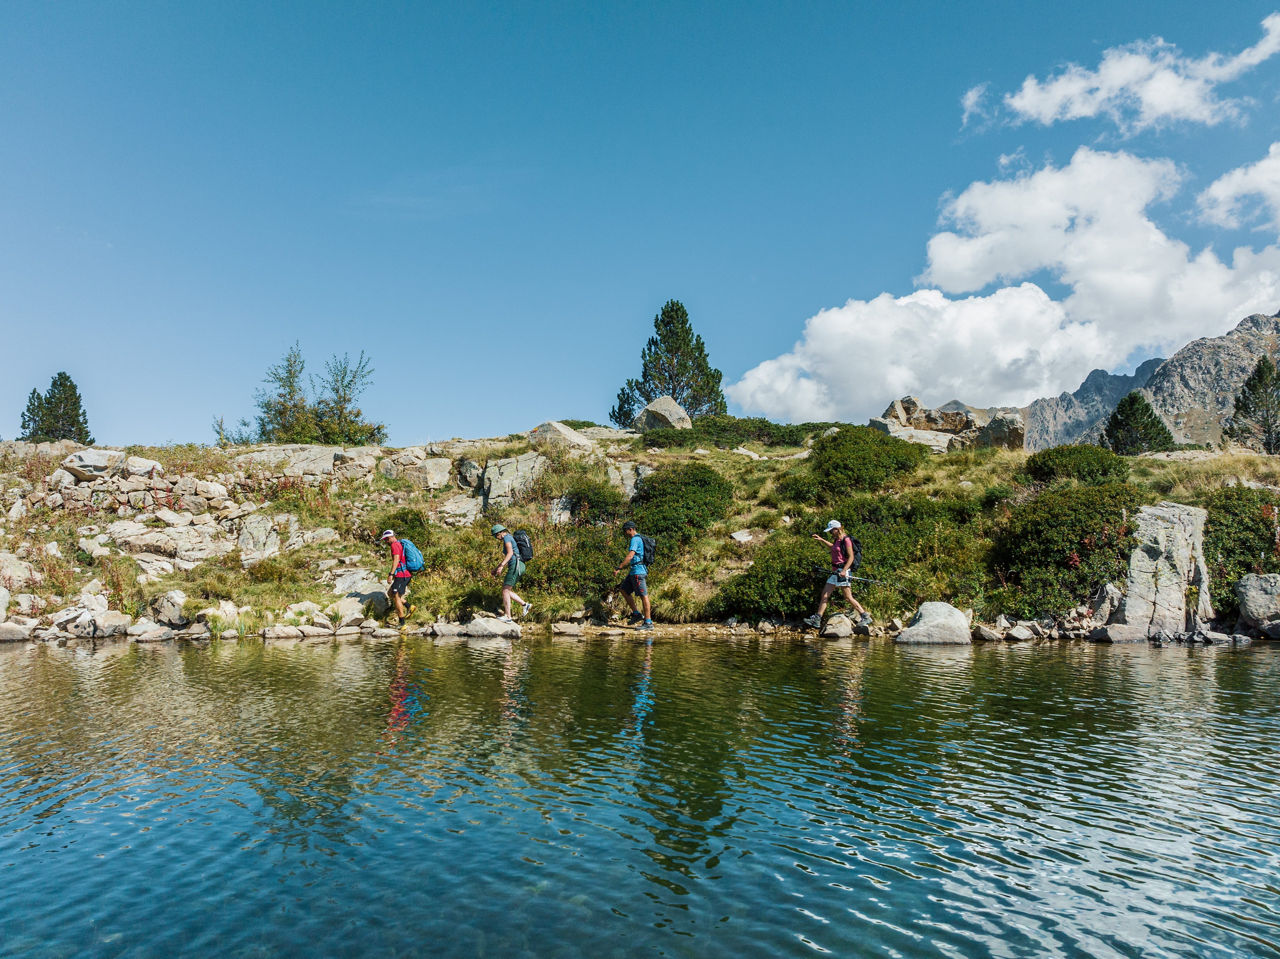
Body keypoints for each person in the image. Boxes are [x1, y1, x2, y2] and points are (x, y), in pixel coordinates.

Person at [804, 520, 872, 629]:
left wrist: (844, 570)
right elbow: (833, 548)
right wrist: (821, 540)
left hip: (842, 571)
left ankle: (865, 616)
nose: (831, 533)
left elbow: (851, 557)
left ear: (837, 529)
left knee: (848, 597)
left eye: (832, 531)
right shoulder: (836, 540)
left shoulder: (847, 540)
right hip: (835, 571)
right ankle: (817, 619)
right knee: (825, 595)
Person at [615, 519, 653, 631]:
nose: (625, 533)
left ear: (630, 529)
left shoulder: (635, 540)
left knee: (643, 596)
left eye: (626, 531)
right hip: (634, 571)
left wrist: (619, 567)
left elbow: (630, 556)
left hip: (638, 572)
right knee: (623, 590)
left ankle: (648, 622)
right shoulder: (637, 538)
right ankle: (636, 614)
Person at [491, 524, 532, 622]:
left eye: (496, 536)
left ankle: (508, 617)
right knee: (507, 590)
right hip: (519, 565)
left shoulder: (506, 537)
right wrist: (496, 568)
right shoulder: (509, 537)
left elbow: (510, 553)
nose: (497, 538)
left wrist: (501, 566)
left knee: (505, 590)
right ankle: (525, 605)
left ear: (499, 533)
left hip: (516, 565)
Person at [380, 529, 415, 628]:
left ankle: (402, 623)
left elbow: (396, 559)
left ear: (391, 537)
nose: (385, 541)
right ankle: (409, 606)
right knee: (390, 593)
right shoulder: (398, 544)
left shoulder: (394, 545)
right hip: (403, 574)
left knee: (396, 597)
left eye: (386, 539)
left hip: (402, 575)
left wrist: (391, 574)